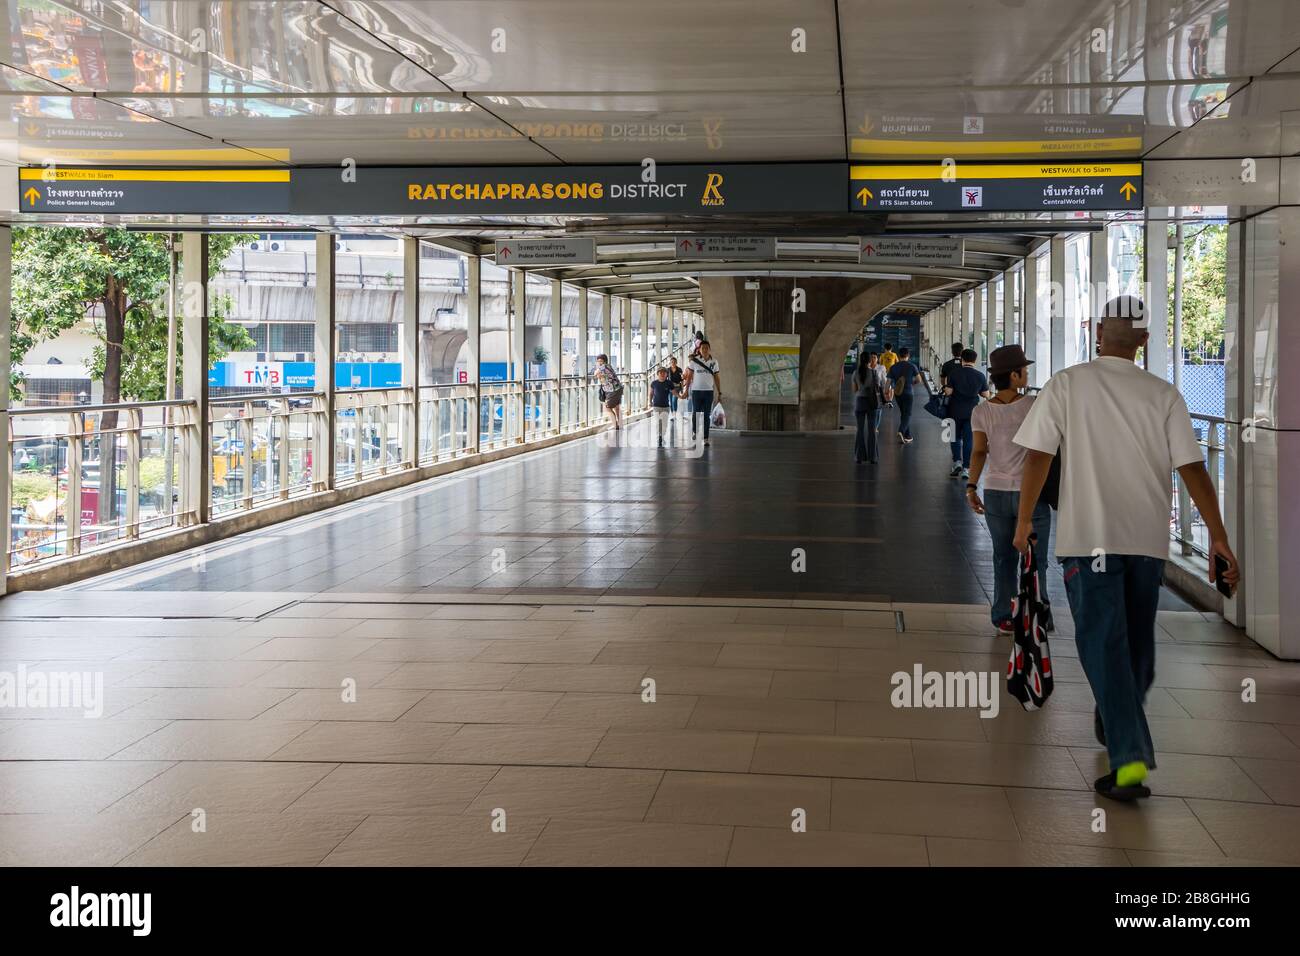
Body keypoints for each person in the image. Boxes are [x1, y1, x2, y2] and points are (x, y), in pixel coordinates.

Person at [1012, 295, 1240, 802]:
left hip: (1087, 539)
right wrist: (1218, 536)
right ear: (1144, 339)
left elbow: (1037, 458)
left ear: (1095, 332)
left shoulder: (1066, 384)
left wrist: (1025, 520)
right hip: (1147, 542)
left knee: (1103, 644)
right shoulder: (1164, 394)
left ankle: (1130, 757)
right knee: (1136, 645)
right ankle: (1120, 722)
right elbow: (1193, 469)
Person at [966, 345, 1053, 634]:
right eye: (1024, 371)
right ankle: (1038, 612)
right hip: (1032, 493)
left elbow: (979, 452)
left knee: (1003, 556)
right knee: (1037, 558)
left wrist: (970, 486)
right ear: (1014, 375)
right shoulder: (1033, 405)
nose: (1027, 374)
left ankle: (1004, 614)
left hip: (995, 492)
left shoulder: (981, 412)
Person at [944, 348, 990, 479]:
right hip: (972, 412)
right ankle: (966, 468)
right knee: (969, 439)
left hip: (954, 411)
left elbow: (948, 392)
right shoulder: (980, 375)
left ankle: (957, 462)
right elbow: (986, 394)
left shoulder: (954, 373)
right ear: (974, 360)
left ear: (962, 360)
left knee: (954, 437)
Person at [683, 339, 721, 446]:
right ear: (699, 350)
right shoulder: (694, 361)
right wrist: (686, 390)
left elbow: (717, 377)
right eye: (702, 348)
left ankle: (706, 438)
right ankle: (695, 431)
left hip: (709, 392)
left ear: (709, 349)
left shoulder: (714, 362)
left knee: (706, 415)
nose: (704, 350)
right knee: (695, 413)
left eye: (706, 348)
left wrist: (719, 392)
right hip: (696, 392)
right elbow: (689, 376)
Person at [852, 351, 886, 464]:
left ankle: (859, 457)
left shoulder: (855, 373)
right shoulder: (874, 373)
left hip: (860, 402)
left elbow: (854, 390)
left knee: (860, 430)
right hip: (872, 403)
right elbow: (878, 388)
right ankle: (873, 457)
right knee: (872, 430)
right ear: (869, 361)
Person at [887, 346, 921, 444]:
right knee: (908, 413)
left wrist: (886, 392)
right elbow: (919, 380)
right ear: (908, 356)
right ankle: (901, 431)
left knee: (904, 413)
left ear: (898, 355)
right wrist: (912, 383)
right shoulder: (912, 366)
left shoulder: (893, 367)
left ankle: (908, 435)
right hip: (909, 393)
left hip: (898, 393)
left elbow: (888, 382)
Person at [592, 353, 623, 431]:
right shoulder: (607, 366)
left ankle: (615, 425)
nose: (599, 362)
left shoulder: (604, 366)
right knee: (616, 407)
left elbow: (595, 374)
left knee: (607, 408)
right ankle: (620, 424)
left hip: (612, 390)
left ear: (604, 361)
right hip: (616, 388)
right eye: (598, 361)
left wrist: (597, 373)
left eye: (601, 361)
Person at [649, 366, 673, 447]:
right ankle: (659, 436)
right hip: (656, 406)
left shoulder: (669, 383)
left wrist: (681, 396)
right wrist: (650, 402)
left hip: (666, 406)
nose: (662, 374)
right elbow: (651, 393)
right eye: (660, 373)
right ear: (658, 374)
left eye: (664, 372)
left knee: (665, 424)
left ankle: (662, 436)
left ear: (666, 374)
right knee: (658, 422)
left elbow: (674, 392)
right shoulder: (654, 383)